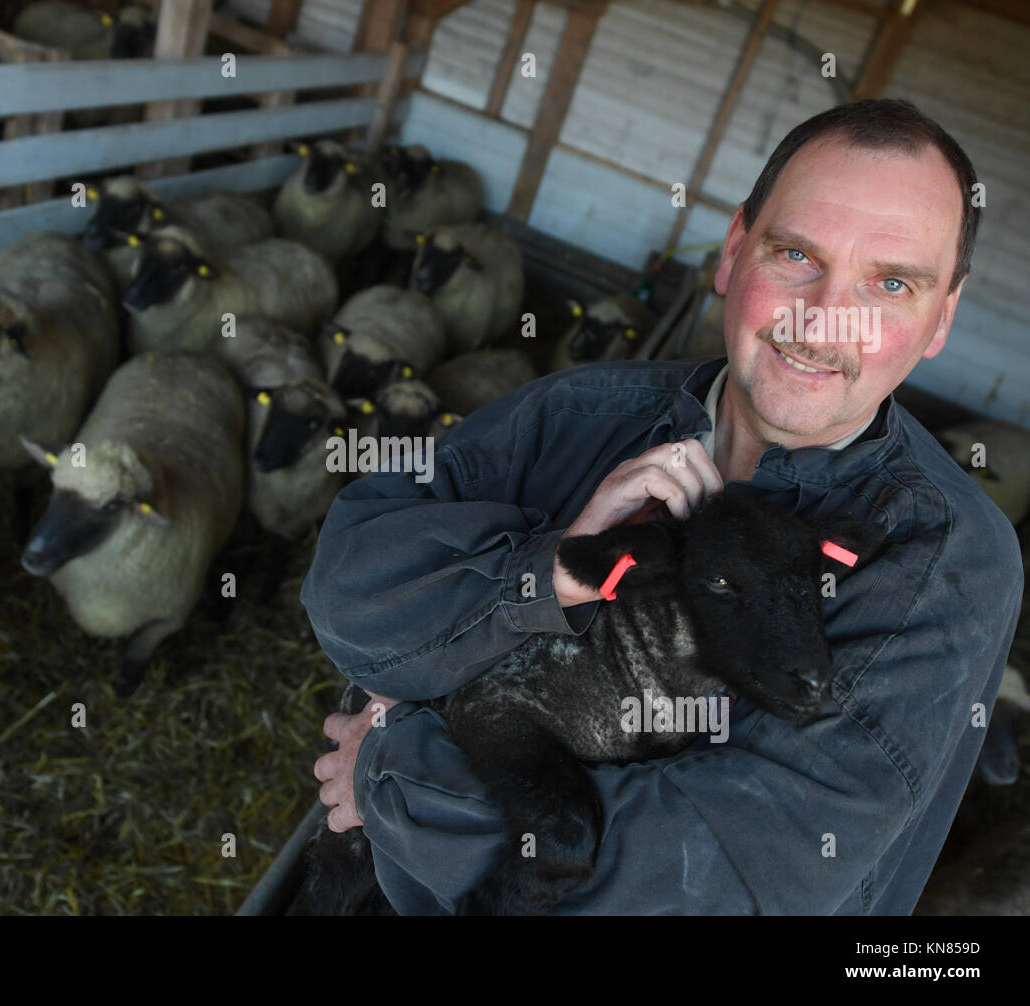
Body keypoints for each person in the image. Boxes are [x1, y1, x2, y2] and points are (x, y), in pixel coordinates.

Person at [299, 98, 1024, 915]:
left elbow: (715, 879)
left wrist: (395, 770)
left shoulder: (942, 557)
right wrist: (544, 571)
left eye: (891, 283)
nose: (824, 323)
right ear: (733, 250)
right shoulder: (580, 412)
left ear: (941, 319)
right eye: (794, 256)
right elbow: (349, 595)